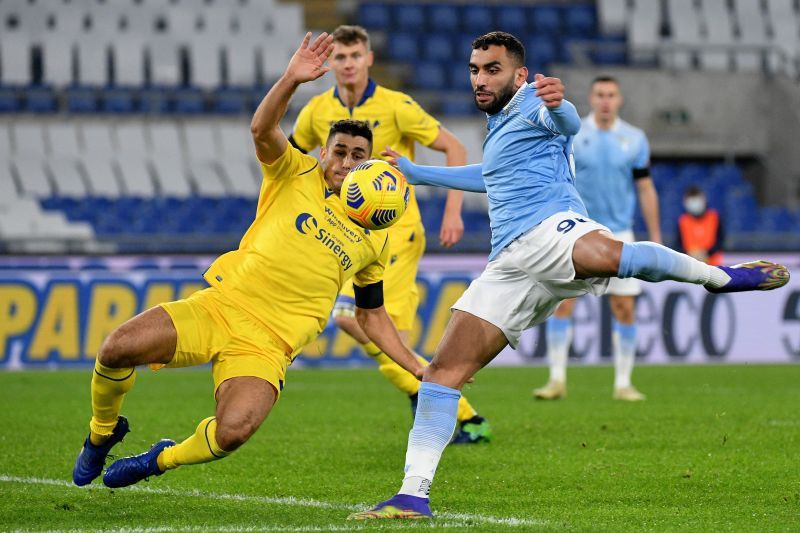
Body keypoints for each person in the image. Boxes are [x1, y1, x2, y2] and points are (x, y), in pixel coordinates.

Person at [349, 31, 790, 520]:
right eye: (474, 69)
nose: (479, 78)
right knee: (440, 376)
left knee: (612, 254)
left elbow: (568, 121)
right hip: (510, 264)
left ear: (518, 75)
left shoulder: (533, 103)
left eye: (491, 69)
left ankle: (719, 278)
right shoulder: (498, 126)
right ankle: (413, 494)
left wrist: (560, 103)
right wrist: (419, 173)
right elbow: (490, 176)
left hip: (549, 229)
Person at [71, 32, 426, 489]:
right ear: (323, 153)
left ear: (370, 163)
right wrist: (291, 80)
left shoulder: (374, 236)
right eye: (339, 151)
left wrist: (417, 366)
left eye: (359, 156)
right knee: (116, 348)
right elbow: (262, 129)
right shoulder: (295, 172)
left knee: (234, 431)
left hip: (269, 345)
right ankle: (101, 435)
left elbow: (372, 316)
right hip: (219, 306)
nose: (347, 161)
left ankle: (161, 459)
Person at [290, 25, 491, 444]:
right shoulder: (316, 113)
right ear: (332, 63)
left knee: (353, 318)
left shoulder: (396, 106)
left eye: (354, 56)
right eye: (340, 58)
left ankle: (441, 401)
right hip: (347, 236)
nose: (347, 64)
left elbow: (455, 147)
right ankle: (458, 413)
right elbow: (293, 159)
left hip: (394, 234)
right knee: (386, 339)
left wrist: (452, 211)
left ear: (368, 60)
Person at [534, 76, 661, 402]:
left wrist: (656, 235)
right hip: (577, 229)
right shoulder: (574, 133)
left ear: (619, 100)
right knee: (562, 303)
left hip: (619, 232)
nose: (606, 100)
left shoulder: (634, 139)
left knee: (624, 307)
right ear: (592, 98)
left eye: (611, 95)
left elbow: (645, 188)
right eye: (600, 94)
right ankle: (556, 380)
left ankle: (623, 383)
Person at [678, 185, 724, 265]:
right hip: (690, 266)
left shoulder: (714, 217)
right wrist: (690, 254)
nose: (694, 203)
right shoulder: (682, 220)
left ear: (704, 199)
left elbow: (720, 242)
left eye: (696, 199)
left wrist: (706, 253)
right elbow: (678, 245)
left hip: (713, 265)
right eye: (691, 200)